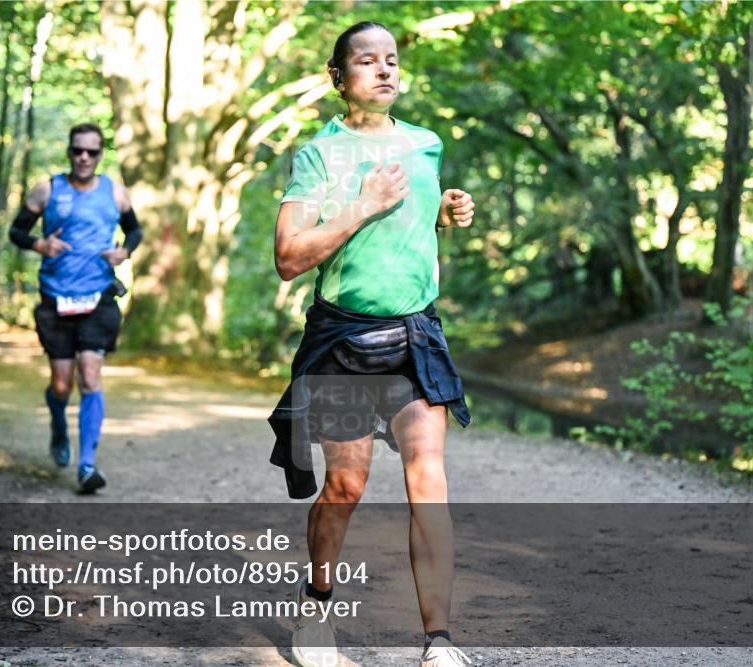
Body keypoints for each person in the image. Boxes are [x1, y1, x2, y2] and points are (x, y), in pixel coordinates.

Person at [269, 21, 475, 667]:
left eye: (391, 59)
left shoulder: (426, 143)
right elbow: (287, 257)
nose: (384, 70)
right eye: (366, 60)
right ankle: (316, 607)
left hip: (416, 333)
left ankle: (438, 641)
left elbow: (408, 224)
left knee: (428, 481)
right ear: (339, 77)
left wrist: (440, 211)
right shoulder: (318, 154)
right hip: (343, 339)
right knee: (346, 486)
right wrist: (361, 206)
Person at [8, 122, 142, 493]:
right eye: (77, 150)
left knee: (90, 375)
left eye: (92, 152)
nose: (84, 157)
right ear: (69, 152)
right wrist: (39, 246)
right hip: (56, 299)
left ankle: (87, 465)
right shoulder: (48, 189)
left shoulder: (114, 193)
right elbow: (17, 231)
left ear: (100, 155)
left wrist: (125, 251)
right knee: (62, 384)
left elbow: (135, 231)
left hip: (98, 297)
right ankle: (57, 422)